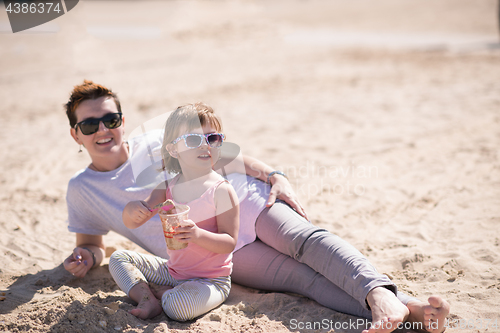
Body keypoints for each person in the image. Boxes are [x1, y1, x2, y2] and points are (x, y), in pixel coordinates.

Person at [63, 80, 449, 333]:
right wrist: (84, 256)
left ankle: (381, 295)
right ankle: (411, 311)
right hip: (214, 249)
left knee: (307, 242)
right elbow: (93, 245)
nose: (103, 130)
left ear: (122, 120)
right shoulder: (82, 189)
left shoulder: (155, 141)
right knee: (303, 281)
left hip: (244, 200)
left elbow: (227, 156)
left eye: (110, 119)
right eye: (90, 124)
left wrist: (274, 174)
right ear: (75, 134)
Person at [109, 103, 239, 321]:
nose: (205, 146)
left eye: (212, 138)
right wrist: (134, 209)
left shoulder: (222, 190)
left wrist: (197, 235)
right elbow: (133, 220)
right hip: (172, 272)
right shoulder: (167, 187)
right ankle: (147, 298)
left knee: (177, 307)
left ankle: (163, 295)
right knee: (118, 258)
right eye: (193, 139)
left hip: (211, 281)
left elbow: (229, 242)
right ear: (172, 149)